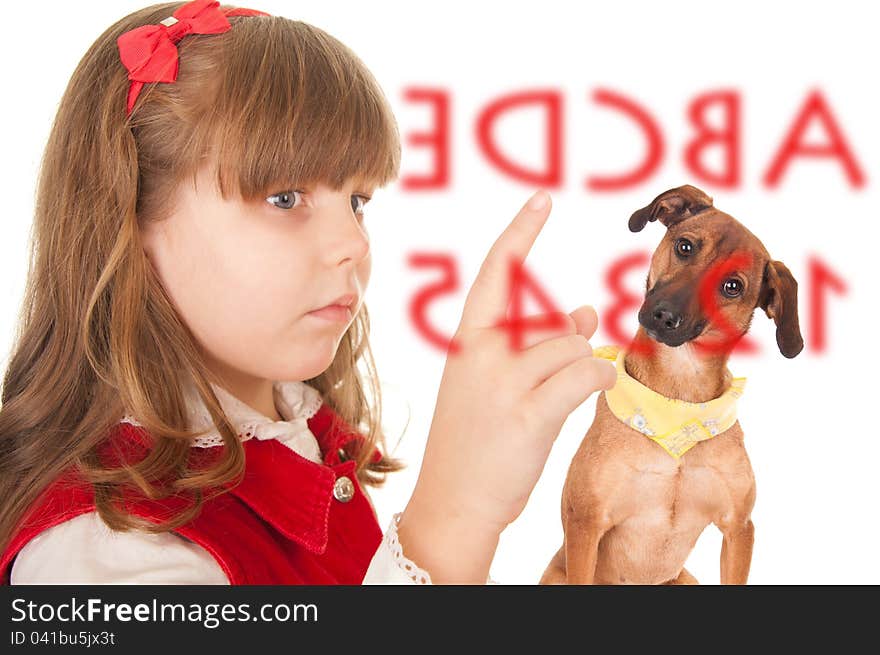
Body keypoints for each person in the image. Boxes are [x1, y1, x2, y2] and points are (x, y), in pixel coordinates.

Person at [0, 0, 615, 585]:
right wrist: (453, 518)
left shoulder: (302, 438)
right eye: (285, 198)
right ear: (127, 221)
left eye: (357, 201)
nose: (353, 242)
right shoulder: (104, 551)